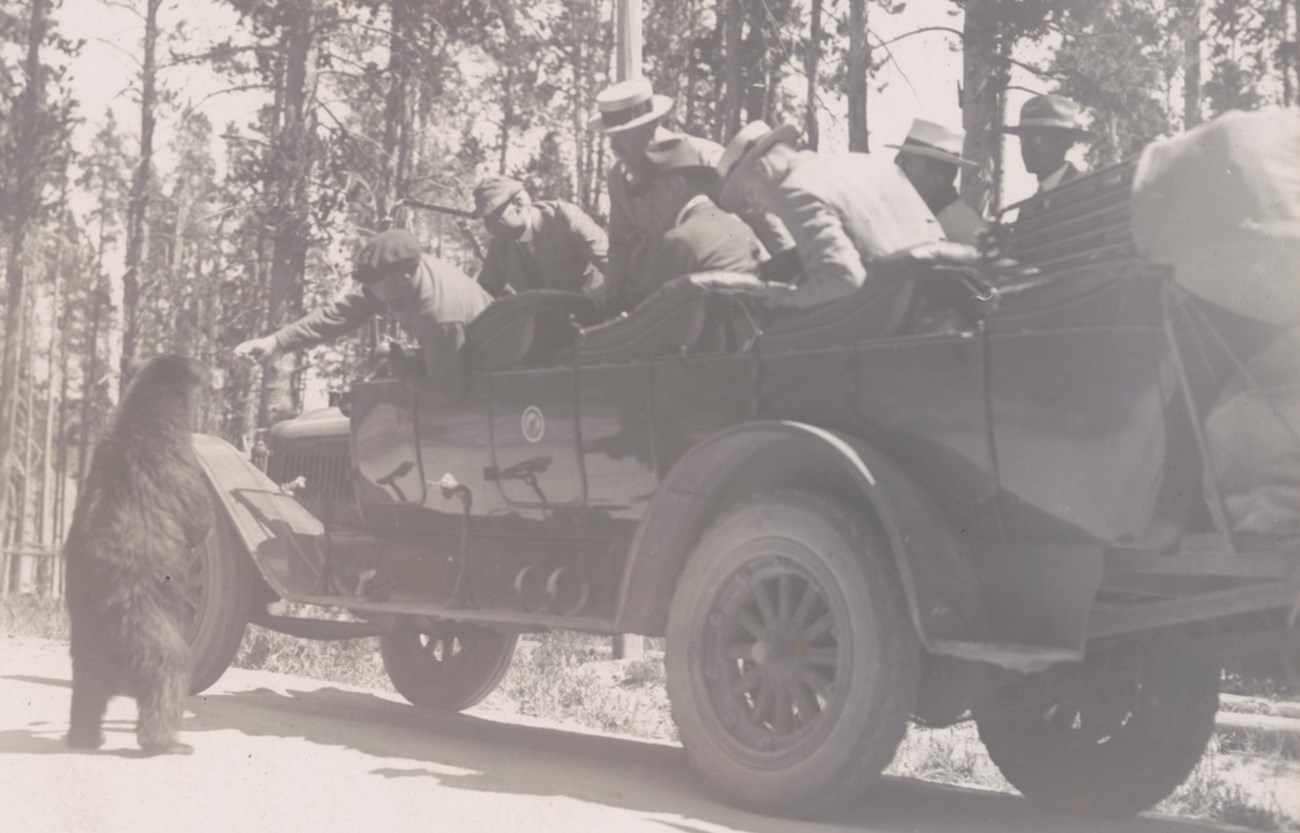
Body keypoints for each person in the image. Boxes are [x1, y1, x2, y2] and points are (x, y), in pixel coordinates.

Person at [589, 76, 795, 304]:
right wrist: (610, 292)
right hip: (664, 292)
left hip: (722, 290)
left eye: (623, 136)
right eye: (610, 137)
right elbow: (620, 242)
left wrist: (791, 275)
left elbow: (760, 215)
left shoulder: (705, 158)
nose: (613, 147)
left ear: (650, 126)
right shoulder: (619, 176)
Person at [234, 228, 492, 401]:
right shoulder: (407, 275)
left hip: (488, 386)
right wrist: (275, 342)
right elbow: (340, 314)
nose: (367, 289)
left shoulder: (437, 314)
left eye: (374, 281)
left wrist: (404, 373)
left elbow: (447, 391)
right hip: (461, 361)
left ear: (404, 277)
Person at [716, 120, 944, 310]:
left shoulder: (795, 189)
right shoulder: (870, 164)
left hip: (884, 324)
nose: (756, 207)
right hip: (936, 308)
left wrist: (783, 298)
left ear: (762, 169)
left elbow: (843, 280)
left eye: (749, 195)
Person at [626, 142, 762, 306]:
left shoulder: (680, 239)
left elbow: (651, 322)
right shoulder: (741, 228)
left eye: (652, 191)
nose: (648, 203)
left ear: (679, 185)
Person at [472, 175, 609, 298]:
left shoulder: (564, 218)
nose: (488, 226)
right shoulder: (499, 245)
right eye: (485, 219)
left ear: (518, 204)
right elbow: (485, 291)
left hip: (594, 310)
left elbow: (611, 263)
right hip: (546, 321)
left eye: (493, 216)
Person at [890, 118, 986, 245]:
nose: (898, 167)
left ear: (936, 179)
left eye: (906, 163)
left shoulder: (960, 224)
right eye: (898, 159)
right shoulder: (926, 212)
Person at [1003, 94, 1094, 194]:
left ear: (1065, 142)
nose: (1028, 148)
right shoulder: (1029, 207)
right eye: (1023, 140)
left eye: (1036, 139)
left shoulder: (1090, 190)